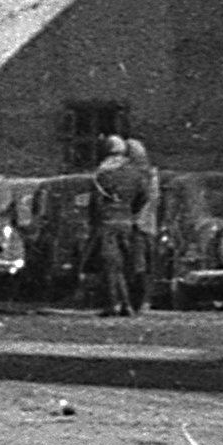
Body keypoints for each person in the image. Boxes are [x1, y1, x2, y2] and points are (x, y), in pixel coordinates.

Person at [90, 131, 159, 316]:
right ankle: (129, 304)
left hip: (107, 222)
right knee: (129, 266)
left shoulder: (101, 174)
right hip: (128, 222)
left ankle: (115, 303)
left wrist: (95, 222)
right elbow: (144, 197)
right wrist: (130, 211)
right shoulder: (135, 174)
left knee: (112, 266)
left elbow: (95, 202)